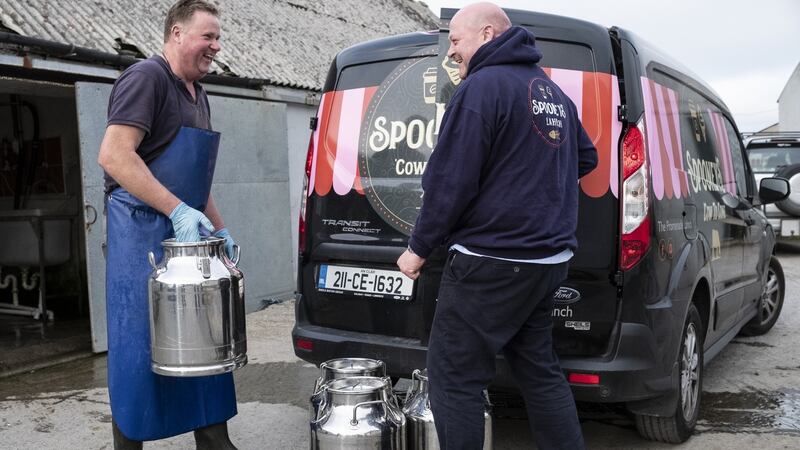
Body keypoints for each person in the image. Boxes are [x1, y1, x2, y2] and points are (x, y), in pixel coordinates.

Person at [396, 3, 598, 449]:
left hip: (490, 263)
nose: (451, 52)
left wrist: (419, 247)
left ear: (487, 34)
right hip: (547, 263)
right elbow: (587, 157)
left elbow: (450, 181)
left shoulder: (481, 88)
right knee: (539, 371)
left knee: (455, 379)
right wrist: (533, 185)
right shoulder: (550, 91)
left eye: (454, 40)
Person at [97, 1, 237, 448]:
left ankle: (215, 441)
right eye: (207, 36)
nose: (216, 46)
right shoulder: (146, 78)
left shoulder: (200, 93)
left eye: (218, 37)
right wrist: (177, 210)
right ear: (176, 34)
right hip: (140, 237)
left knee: (207, 344)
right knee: (141, 351)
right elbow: (115, 155)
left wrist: (218, 228)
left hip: (191, 240)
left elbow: (196, 178)